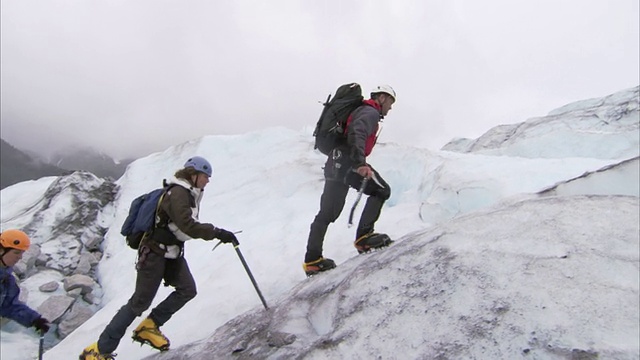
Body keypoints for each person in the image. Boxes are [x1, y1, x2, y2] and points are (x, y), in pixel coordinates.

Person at [81, 156, 239, 360]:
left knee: (187, 289)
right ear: (194, 174)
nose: (207, 181)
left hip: (171, 253)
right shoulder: (178, 193)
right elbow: (187, 225)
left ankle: (149, 326)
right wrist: (217, 232)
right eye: (205, 176)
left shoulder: (189, 193)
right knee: (139, 302)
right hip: (154, 253)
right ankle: (99, 351)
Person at [303, 85, 397, 276]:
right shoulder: (370, 111)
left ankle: (312, 260)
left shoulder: (363, 110)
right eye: (390, 102)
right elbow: (358, 132)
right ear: (382, 97)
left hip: (335, 161)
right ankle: (364, 237)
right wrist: (360, 163)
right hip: (349, 160)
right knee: (381, 190)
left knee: (328, 212)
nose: (390, 107)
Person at [0, 229, 51, 335]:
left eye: (21, 253)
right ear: (1, 250)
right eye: (16, 252)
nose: (20, 257)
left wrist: (35, 320)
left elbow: (9, 306)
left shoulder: (6, 280)